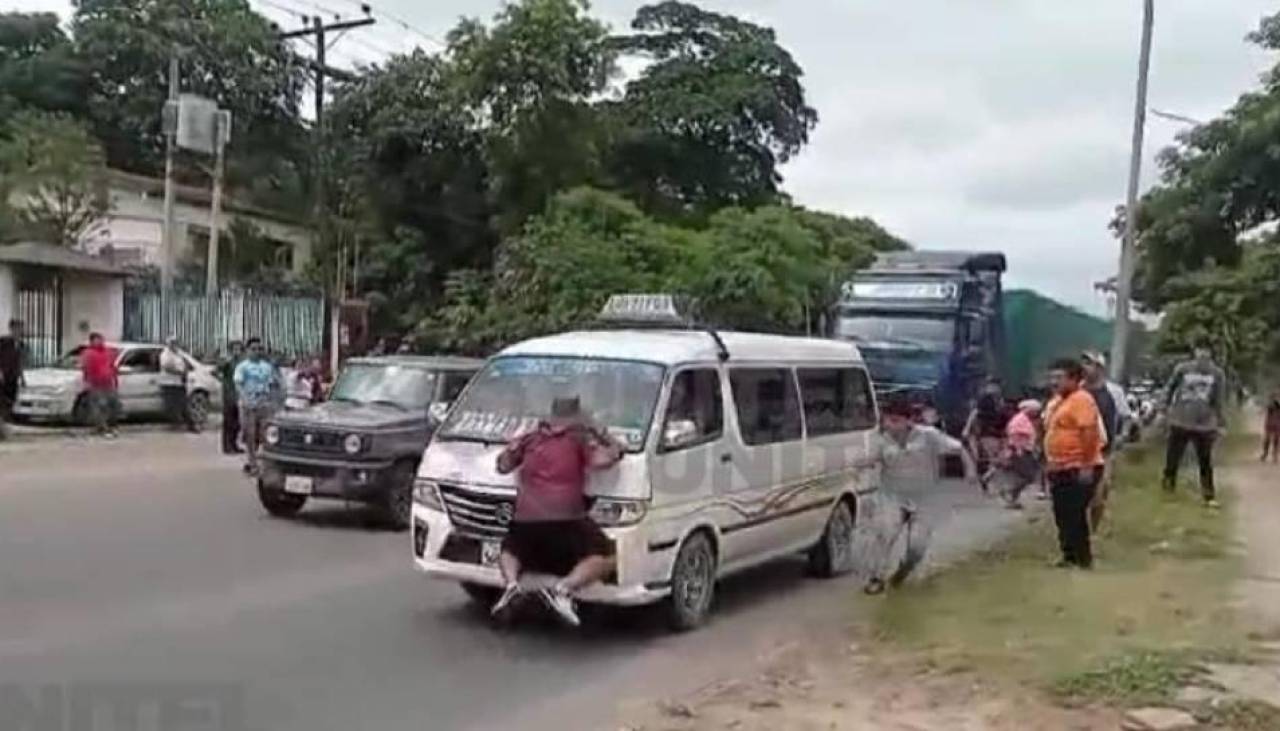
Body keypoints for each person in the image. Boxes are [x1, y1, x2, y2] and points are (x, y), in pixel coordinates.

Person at [489, 396, 626, 626]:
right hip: (565, 518)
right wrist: (603, 434)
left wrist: (512, 447)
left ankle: (511, 585)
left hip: (526, 519)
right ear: (576, 417)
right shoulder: (578, 438)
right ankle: (562, 591)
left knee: (511, 545)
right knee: (607, 555)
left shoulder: (530, 438)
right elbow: (607, 459)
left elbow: (502, 465)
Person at [859, 396, 977, 593]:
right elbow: (868, 463)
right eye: (887, 420)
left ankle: (904, 570)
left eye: (896, 421)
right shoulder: (880, 440)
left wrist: (970, 469)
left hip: (926, 497)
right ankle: (876, 577)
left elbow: (958, 448)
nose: (890, 425)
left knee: (917, 545)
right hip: (893, 496)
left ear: (908, 421)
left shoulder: (929, 435)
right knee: (884, 533)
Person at [1044, 358, 1104, 569]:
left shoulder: (1081, 399)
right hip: (1059, 466)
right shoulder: (1060, 401)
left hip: (1079, 466)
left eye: (1059, 378)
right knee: (1061, 512)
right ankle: (1068, 555)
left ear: (1074, 379)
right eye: (1051, 377)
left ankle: (1083, 558)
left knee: (1074, 513)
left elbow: (1089, 432)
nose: (1053, 382)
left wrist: (1086, 465)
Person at [1162, 344, 1227, 507]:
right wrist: (1163, 407)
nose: (1203, 355)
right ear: (1195, 352)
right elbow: (1169, 388)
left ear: (1211, 354)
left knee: (1205, 461)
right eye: (1200, 351)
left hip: (1204, 425)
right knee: (1172, 459)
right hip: (1180, 420)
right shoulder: (1182, 369)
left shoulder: (1217, 374)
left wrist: (1220, 422)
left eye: (1206, 352)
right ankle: (1168, 489)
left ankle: (1208, 495)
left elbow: (1218, 400)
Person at [1081, 351, 1123, 533]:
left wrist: (1122, 436)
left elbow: (1126, 416)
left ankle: (1093, 530)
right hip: (1079, 450)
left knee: (1099, 493)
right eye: (1083, 363)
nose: (1085, 367)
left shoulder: (1114, 391)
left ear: (1099, 368)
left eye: (1089, 364)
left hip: (1104, 451)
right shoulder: (1077, 390)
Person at [234, 338, 280, 475]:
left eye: (259, 349)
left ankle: (262, 462)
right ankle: (252, 463)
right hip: (248, 404)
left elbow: (273, 385)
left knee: (264, 434)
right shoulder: (243, 367)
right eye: (253, 349)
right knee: (250, 434)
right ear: (248, 351)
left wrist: (273, 401)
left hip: (263, 404)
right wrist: (245, 399)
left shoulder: (266, 367)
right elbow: (238, 384)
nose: (256, 352)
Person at [993, 399, 1042, 509]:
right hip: (1020, 451)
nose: (1036, 413)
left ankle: (1012, 497)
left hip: (1025, 450)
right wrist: (1018, 449)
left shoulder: (1025, 419)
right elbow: (1015, 435)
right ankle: (1010, 491)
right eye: (1035, 411)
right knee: (1028, 475)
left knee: (1026, 475)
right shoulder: (1020, 420)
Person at [963, 379, 1008, 492]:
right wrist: (967, 428)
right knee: (996, 459)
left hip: (998, 433)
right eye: (994, 386)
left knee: (998, 459)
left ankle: (987, 478)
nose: (995, 388)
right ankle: (988, 480)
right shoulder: (985, 399)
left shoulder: (999, 399)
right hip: (988, 432)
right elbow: (975, 413)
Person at [81, 333, 121, 439]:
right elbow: (86, 368)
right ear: (92, 341)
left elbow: (112, 366)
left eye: (101, 340)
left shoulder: (108, 352)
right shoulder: (88, 353)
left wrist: (115, 379)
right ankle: (102, 427)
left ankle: (108, 426)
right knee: (99, 406)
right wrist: (87, 381)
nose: (100, 342)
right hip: (96, 384)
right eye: (97, 340)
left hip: (108, 382)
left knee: (111, 405)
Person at [158, 336, 196, 432]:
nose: (175, 345)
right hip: (169, 383)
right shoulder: (165, 354)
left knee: (184, 404)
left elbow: (187, 363)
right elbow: (167, 367)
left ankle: (190, 425)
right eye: (173, 343)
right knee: (172, 406)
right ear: (169, 344)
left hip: (179, 383)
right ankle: (176, 424)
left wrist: (185, 370)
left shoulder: (179, 353)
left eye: (176, 343)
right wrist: (179, 371)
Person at [216, 342, 244, 454]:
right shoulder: (228, 362)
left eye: (239, 349)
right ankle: (227, 446)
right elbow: (217, 370)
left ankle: (234, 444)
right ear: (231, 350)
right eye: (235, 349)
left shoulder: (241, 362)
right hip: (229, 395)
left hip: (239, 395)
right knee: (228, 422)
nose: (237, 351)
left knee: (237, 423)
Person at [0, 319, 24, 438]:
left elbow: (19, 362)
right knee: (3, 402)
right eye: (16, 329)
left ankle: (4, 426)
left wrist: (22, 378)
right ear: (11, 329)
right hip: (3, 377)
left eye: (20, 329)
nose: (18, 331)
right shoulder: (3, 342)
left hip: (13, 377)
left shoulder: (20, 344)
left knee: (10, 401)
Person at [1263, 389, 1280, 463]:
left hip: (1276, 423)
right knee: (1268, 439)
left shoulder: (1277, 404)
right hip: (1270, 423)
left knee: (1275, 439)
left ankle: (1274, 454)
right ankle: (1266, 453)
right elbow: (1268, 410)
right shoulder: (1270, 404)